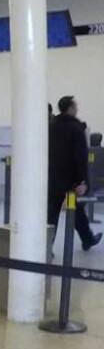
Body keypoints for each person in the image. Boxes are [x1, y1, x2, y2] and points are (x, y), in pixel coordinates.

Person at [48, 96, 103, 251]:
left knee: (52, 214)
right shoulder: (76, 128)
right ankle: (88, 239)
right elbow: (80, 156)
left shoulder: (51, 126)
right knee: (77, 210)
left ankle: (47, 246)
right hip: (72, 179)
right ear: (70, 108)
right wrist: (82, 181)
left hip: (53, 177)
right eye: (75, 106)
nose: (77, 109)